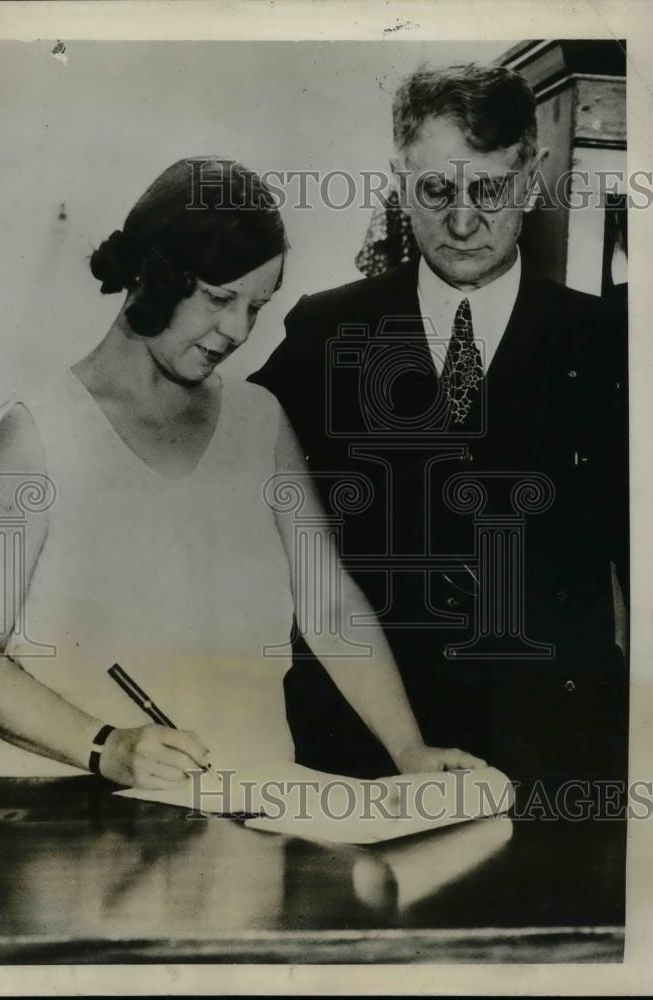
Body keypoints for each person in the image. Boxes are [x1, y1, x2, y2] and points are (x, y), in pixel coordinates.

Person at [0, 157, 483, 789]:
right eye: (220, 298)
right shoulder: (39, 433)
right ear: (152, 274)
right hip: (70, 817)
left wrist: (408, 750)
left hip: (250, 815)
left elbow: (330, 606)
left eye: (256, 306)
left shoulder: (260, 420)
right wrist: (106, 747)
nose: (238, 330)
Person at [251, 65, 629, 788]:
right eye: (435, 190)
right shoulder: (325, 331)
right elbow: (228, 480)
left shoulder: (607, 342)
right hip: (360, 757)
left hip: (557, 755)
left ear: (531, 176)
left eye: (487, 189)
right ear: (399, 180)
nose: (461, 222)